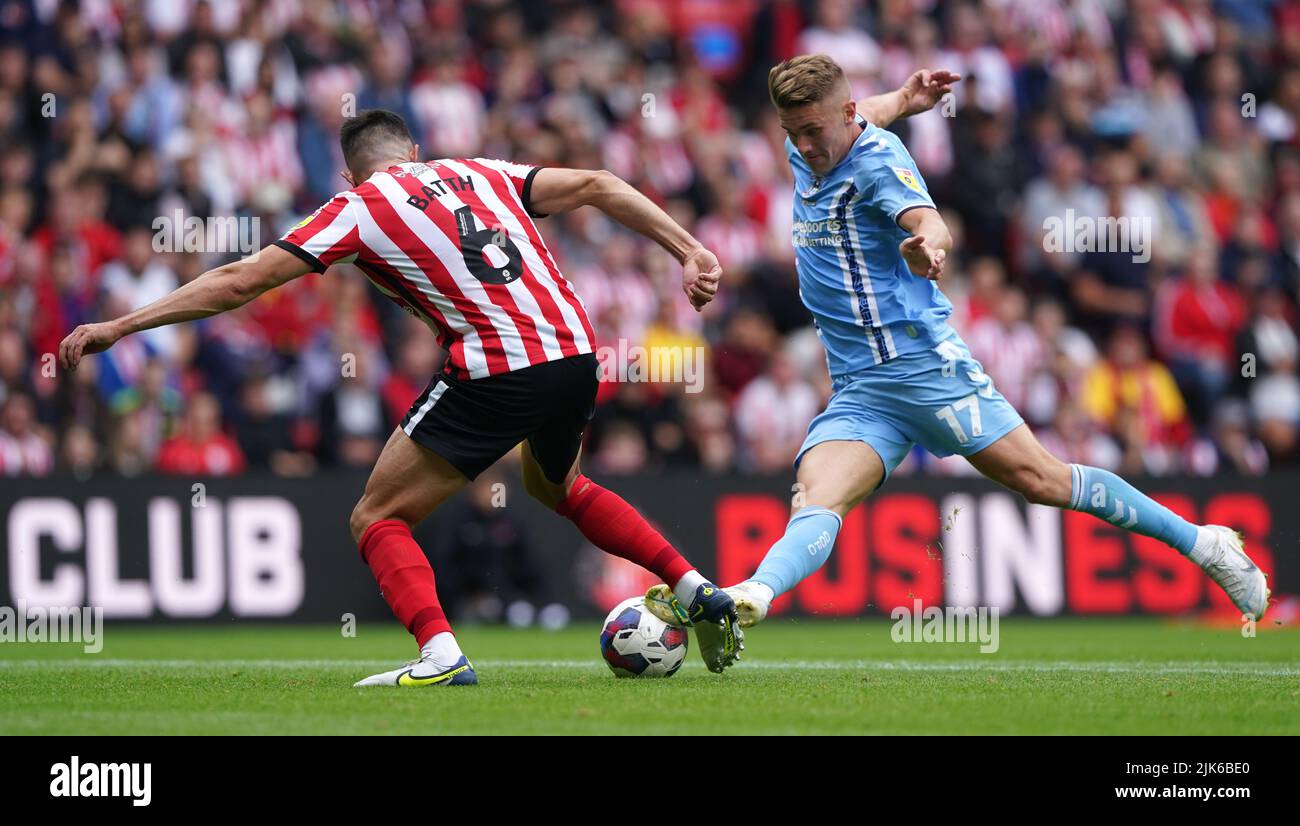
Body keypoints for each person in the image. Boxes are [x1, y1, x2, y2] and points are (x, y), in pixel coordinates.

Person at [58, 109, 743, 685]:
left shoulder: (358, 205)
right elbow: (596, 181)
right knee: (556, 486)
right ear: (415, 152)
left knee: (376, 516)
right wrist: (687, 249)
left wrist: (123, 324)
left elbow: (242, 279)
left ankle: (439, 654)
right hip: (573, 352)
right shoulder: (481, 171)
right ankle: (694, 590)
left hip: (499, 364)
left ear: (351, 175)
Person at [646, 56, 1270, 666]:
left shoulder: (878, 160)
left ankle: (1206, 544)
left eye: (813, 131)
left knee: (1043, 481)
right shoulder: (821, 132)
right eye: (793, 132)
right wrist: (908, 96)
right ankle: (752, 594)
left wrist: (927, 247)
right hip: (861, 387)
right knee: (815, 500)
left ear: (841, 115)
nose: (804, 145)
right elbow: (869, 107)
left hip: (925, 369)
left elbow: (928, 220)